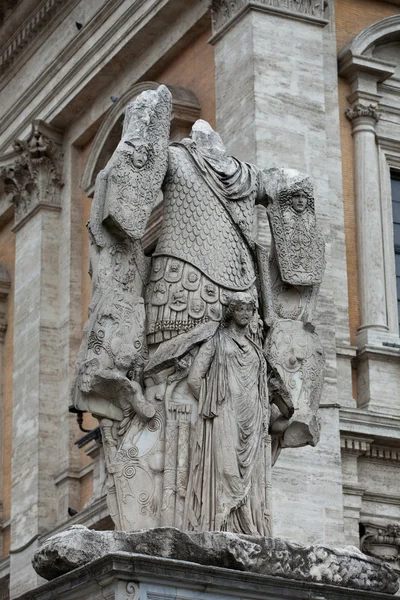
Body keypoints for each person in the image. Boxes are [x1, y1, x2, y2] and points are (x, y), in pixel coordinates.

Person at [183, 292, 291, 535]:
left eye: (249, 309)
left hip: (252, 415)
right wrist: (211, 404)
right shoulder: (217, 341)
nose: (245, 313)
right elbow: (194, 379)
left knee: (250, 471)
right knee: (226, 468)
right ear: (231, 311)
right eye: (240, 308)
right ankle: (219, 519)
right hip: (225, 412)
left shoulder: (256, 350)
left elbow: (266, 385)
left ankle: (245, 523)